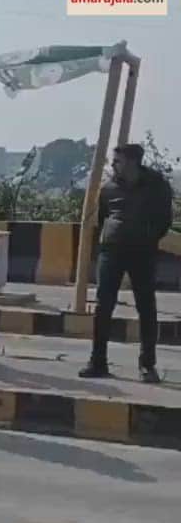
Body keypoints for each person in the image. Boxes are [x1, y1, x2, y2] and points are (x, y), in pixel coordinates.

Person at [80, 142, 173, 383]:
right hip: (111, 251)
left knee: (146, 306)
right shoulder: (109, 188)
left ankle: (147, 364)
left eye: (118, 161)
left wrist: (148, 238)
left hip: (142, 251)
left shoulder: (156, 186)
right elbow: (103, 217)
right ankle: (97, 361)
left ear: (132, 162)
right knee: (103, 305)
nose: (113, 165)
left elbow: (164, 219)